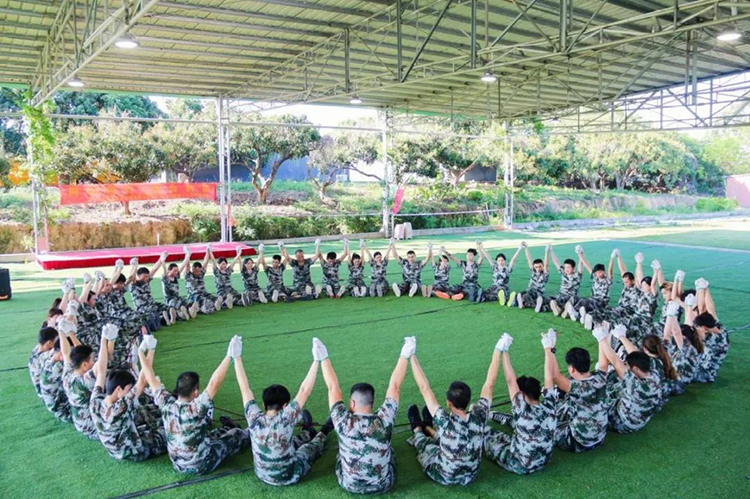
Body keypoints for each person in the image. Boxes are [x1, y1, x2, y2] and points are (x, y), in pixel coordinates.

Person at [142, 338, 250, 475]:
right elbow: (213, 384)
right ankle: (251, 434)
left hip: (177, 463)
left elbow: (150, 377)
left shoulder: (166, 404)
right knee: (236, 434)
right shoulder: (195, 409)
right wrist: (230, 356)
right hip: (202, 464)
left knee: (211, 434)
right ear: (196, 392)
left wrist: (142, 351)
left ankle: (226, 429)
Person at [234, 336, 332, 486]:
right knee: (308, 449)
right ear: (285, 405)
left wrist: (236, 357)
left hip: (262, 474)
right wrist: (316, 361)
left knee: (289, 443)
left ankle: (307, 432)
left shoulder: (253, 416)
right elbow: (304, 391)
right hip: (290, 475)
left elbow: (244, 388)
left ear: (263, 404)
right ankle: (324, 432)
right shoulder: (287, 417)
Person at [317, 337, 407, 494]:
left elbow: (332, 387)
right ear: (372, 402)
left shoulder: (342, 420)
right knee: (390, 452)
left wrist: (323, 356)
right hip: (383, 486)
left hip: (349, 485)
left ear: (352, 402)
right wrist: (405, 354)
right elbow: (395, 386)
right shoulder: (385, 419)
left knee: (340, 456)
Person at [404, 336, 497, 485]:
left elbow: (424, 388)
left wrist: (412, 355)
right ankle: (428, 426)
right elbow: (489, 384)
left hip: (445, 475)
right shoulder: (480, 414)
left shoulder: (445, 421)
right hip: (472, 473)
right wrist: (499, 349)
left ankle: (417, 429)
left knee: (427, 446)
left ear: (449, 403)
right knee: (446, 440)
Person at [483, 330, 556, 475]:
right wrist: (548, 348)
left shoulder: (522, 409)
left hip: (521, 464)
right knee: (507, 436)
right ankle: (504, 420)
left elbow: (511, 380)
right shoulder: (550, 405)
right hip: (544, 459)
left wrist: (504, 350)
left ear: (522, 394)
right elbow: (549, 377)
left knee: (485, 437)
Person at [89, 334, 167, 461]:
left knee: (146, 411)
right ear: (118, 389)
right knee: (172, 430)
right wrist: (148, 350)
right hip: (132, 449)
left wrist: (104, 339)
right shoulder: (119, 408)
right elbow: (142, 381)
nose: (131, 391)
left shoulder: (95, 402)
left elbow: (101, 371)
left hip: (115, 446)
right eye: (128, 389)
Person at [547, 330, 609, 452]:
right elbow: (603, 363)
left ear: (572, 369)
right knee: (565, 405)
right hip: (599, 437)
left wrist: (550, 349)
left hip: (578, 442)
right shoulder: (600, 378)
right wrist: (601, 339)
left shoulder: (576, 387)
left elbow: (554, 375)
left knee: (543, 427)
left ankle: (511, 421)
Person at [602, 325, 661, 433]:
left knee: (599, 393)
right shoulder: (654, 374)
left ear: (636, 369)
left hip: (623, 423)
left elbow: (616, 362)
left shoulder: (636, 384)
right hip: (641, 419)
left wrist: (602, 339)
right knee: (615, 380)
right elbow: (635, 354)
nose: (626, 367)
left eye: (627, 366)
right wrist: (621, 336)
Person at [61, 321, 113, 440]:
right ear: (85, 365)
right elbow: (101, 366)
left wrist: (64, 332)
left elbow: (66, 353)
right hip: (91, 425)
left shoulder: (68, 373)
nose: (93, 362)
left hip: (80, 420)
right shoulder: (82, 381)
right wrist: (104, 340)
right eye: (92, 360)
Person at [692, 279, 729, 383]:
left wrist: (699, 292)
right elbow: (710, 311)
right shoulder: (720, 330)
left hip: (705, 374)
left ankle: (703, 287)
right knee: (707, 313)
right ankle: (704, 286)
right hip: (707, 369)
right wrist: (703, 289)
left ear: (704, 328)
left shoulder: (710, 338)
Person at [662, 302, 700, 395]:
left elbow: (674, 333)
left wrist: (671, 315)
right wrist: (689, 306)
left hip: (676, 385)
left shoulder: (688, 349)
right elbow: (687, 325)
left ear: (684, 337)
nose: (673, 336)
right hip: (679, 381)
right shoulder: (690, 346)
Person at [128, 253, 174, 327]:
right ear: (138, 276)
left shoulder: (147, 280)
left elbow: (154, 269)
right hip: (143, 308)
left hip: (152, 304)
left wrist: (161, 258)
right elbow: (131, 277)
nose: (146, 278)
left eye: (147, 276)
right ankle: (161, 319)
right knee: (154, 318)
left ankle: (166, 319)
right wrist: (134, 266)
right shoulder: (134, 284)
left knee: (168, 308)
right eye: (144, 276)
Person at [574, 247, 615, 329]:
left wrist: (612, 257)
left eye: (600, 272)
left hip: (601, 302)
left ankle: (587, 317)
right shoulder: (595, 278)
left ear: (604, 272)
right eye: (597, 273)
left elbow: (610, 270)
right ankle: (579, 314)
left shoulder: (607, 280)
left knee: (595, 309)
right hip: (593, 299)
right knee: (583, 301)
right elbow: (587, 265)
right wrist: (580, 254)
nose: (599, 274)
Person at [543, 245, 583, 317]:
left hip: (571, 297)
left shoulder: (577, 276)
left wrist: (580, 254)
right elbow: (556, 262)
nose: (566, 269)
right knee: (551, 300)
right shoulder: (564, 274)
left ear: (573, 268)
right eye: (565, 267)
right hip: (561, 296)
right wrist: (551, 251)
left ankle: (565, 309)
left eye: (568, 267)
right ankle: (560, 309)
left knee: (573, 300)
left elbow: (581, 264)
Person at [39, 336, 71, 423]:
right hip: (64, 411)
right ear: (62, 353)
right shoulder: (58, 367)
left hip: (56, 405)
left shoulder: (48, 360)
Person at [184, 245, 219, 314]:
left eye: (199, 271)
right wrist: (187, 254)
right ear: (192, 269)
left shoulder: (201, 273)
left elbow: (206, 261)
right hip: (194, 296)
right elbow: (187, 265)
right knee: (204, 300)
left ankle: (204, 307)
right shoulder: (188, 275)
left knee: (215, 299)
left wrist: (207, 250)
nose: (198, 273)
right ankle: (199, 308)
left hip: (203, 293)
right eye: (196, 271)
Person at [515, 243, 550, 311]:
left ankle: (526, 303)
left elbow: (546, 264)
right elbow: (529, 259)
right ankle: (523, 302)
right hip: (529, 291)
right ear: (534, 267)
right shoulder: (533, 271)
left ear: (542, 266)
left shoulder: (544, 275)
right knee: (522, 294)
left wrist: (547, 251)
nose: (538, 268)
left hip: (538, 293)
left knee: (529, 296)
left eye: (540, 266)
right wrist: (526, 247)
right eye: (536, 267)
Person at [162, 249, 195, 320]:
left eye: (177, 271)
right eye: (174, 271)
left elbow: (183, 264)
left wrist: (188, 255)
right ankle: (181, 312)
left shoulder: (176, 276)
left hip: (177, 297)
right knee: (178, 305)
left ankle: (186, 311)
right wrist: (163, 259)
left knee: (188, 302)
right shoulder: (165, 278)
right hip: (170, 300)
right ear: (169, 270)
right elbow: (164, 269)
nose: (176, 272)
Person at [29, 326, 58, 397]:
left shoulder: (36, 349)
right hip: (49, 394)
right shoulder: (44, 357)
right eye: (57, 340)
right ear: (49, 343)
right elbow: (58, 351)